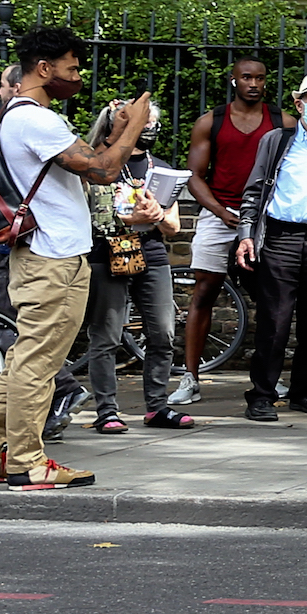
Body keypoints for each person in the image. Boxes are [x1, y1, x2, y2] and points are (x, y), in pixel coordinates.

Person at [0, 28, 152, 488]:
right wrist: (137, 127)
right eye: (72, 67)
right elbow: (104, 170)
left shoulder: (22, 117)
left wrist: (122, 131)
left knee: (26, 359)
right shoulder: (36, 120)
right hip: (54, 259)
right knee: (38, 365)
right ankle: (27, 461)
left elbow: (92, 161)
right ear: (43, 69)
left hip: (43, 255)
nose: (78, 76)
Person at [63, 102, 191, 435]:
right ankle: (106, 410)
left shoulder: (159, 168)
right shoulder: (97, 167)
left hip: (151, 254)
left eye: (153, 124)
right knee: (105, 335)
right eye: (144, 123)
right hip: (107, 253)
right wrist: (125, 216)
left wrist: (156, 215)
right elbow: (85, 215)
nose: (149, 129)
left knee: (162, 332)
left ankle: (157, 405)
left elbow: (173, 226)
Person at [234, 73, 307, 420]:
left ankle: (304, 389)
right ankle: (261, 394)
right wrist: (246, 234)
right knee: (275, 320)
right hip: (280, 237)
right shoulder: (277, 140)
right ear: (299, 104)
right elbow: (255, 190)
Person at [170, 55, 275, 407]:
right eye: (246, 77)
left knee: (273, 298)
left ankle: (268, 379)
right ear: (234, 80)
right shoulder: (211, 121)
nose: (254, 84)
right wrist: (219, 211)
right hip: (221, 213)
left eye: (259, 78)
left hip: (264, 217)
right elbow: (194, 175)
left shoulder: (282, 122)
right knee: (204, 291)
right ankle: (190, 377)